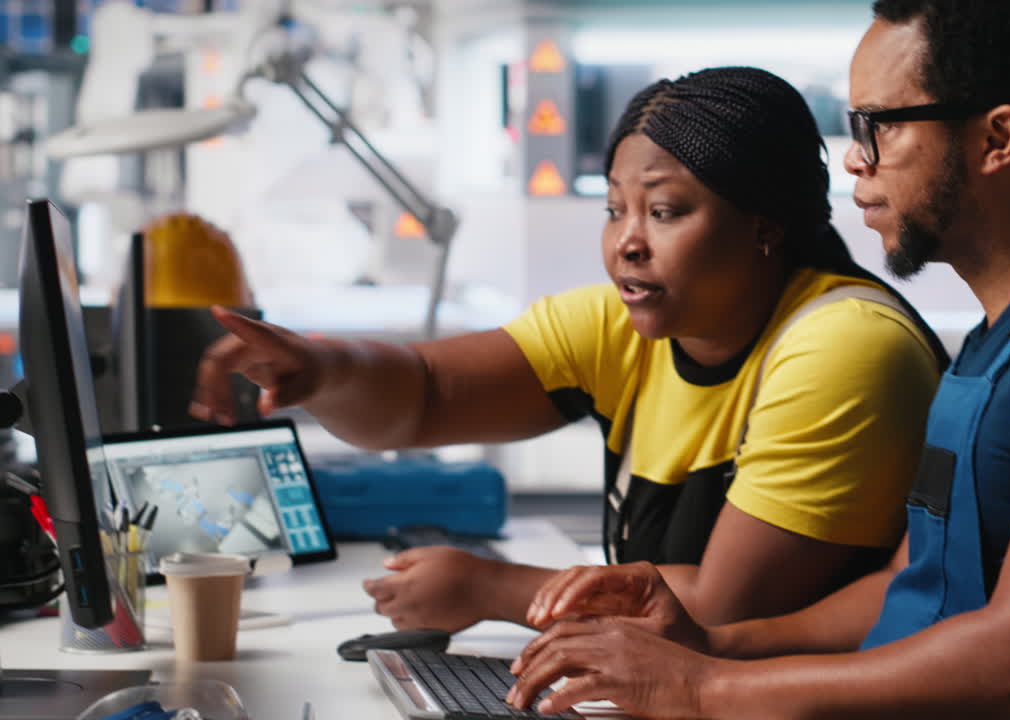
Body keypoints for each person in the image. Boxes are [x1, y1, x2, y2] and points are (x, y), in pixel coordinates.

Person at [506, 2, 1010, 718]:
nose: (855, 163)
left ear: (998, 139)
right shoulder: (1006, 337)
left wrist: (707, 690)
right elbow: (910, 585)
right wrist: (712, 646)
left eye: (879, 127)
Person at [190, 66, 948, 631]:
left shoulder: (844, 346)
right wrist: (320, 369)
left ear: (766, 224)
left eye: (664, 210)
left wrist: (491, 591)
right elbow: (422, 396)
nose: (627, 242)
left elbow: (727, 608)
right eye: (615, 208)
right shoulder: (628, 324)